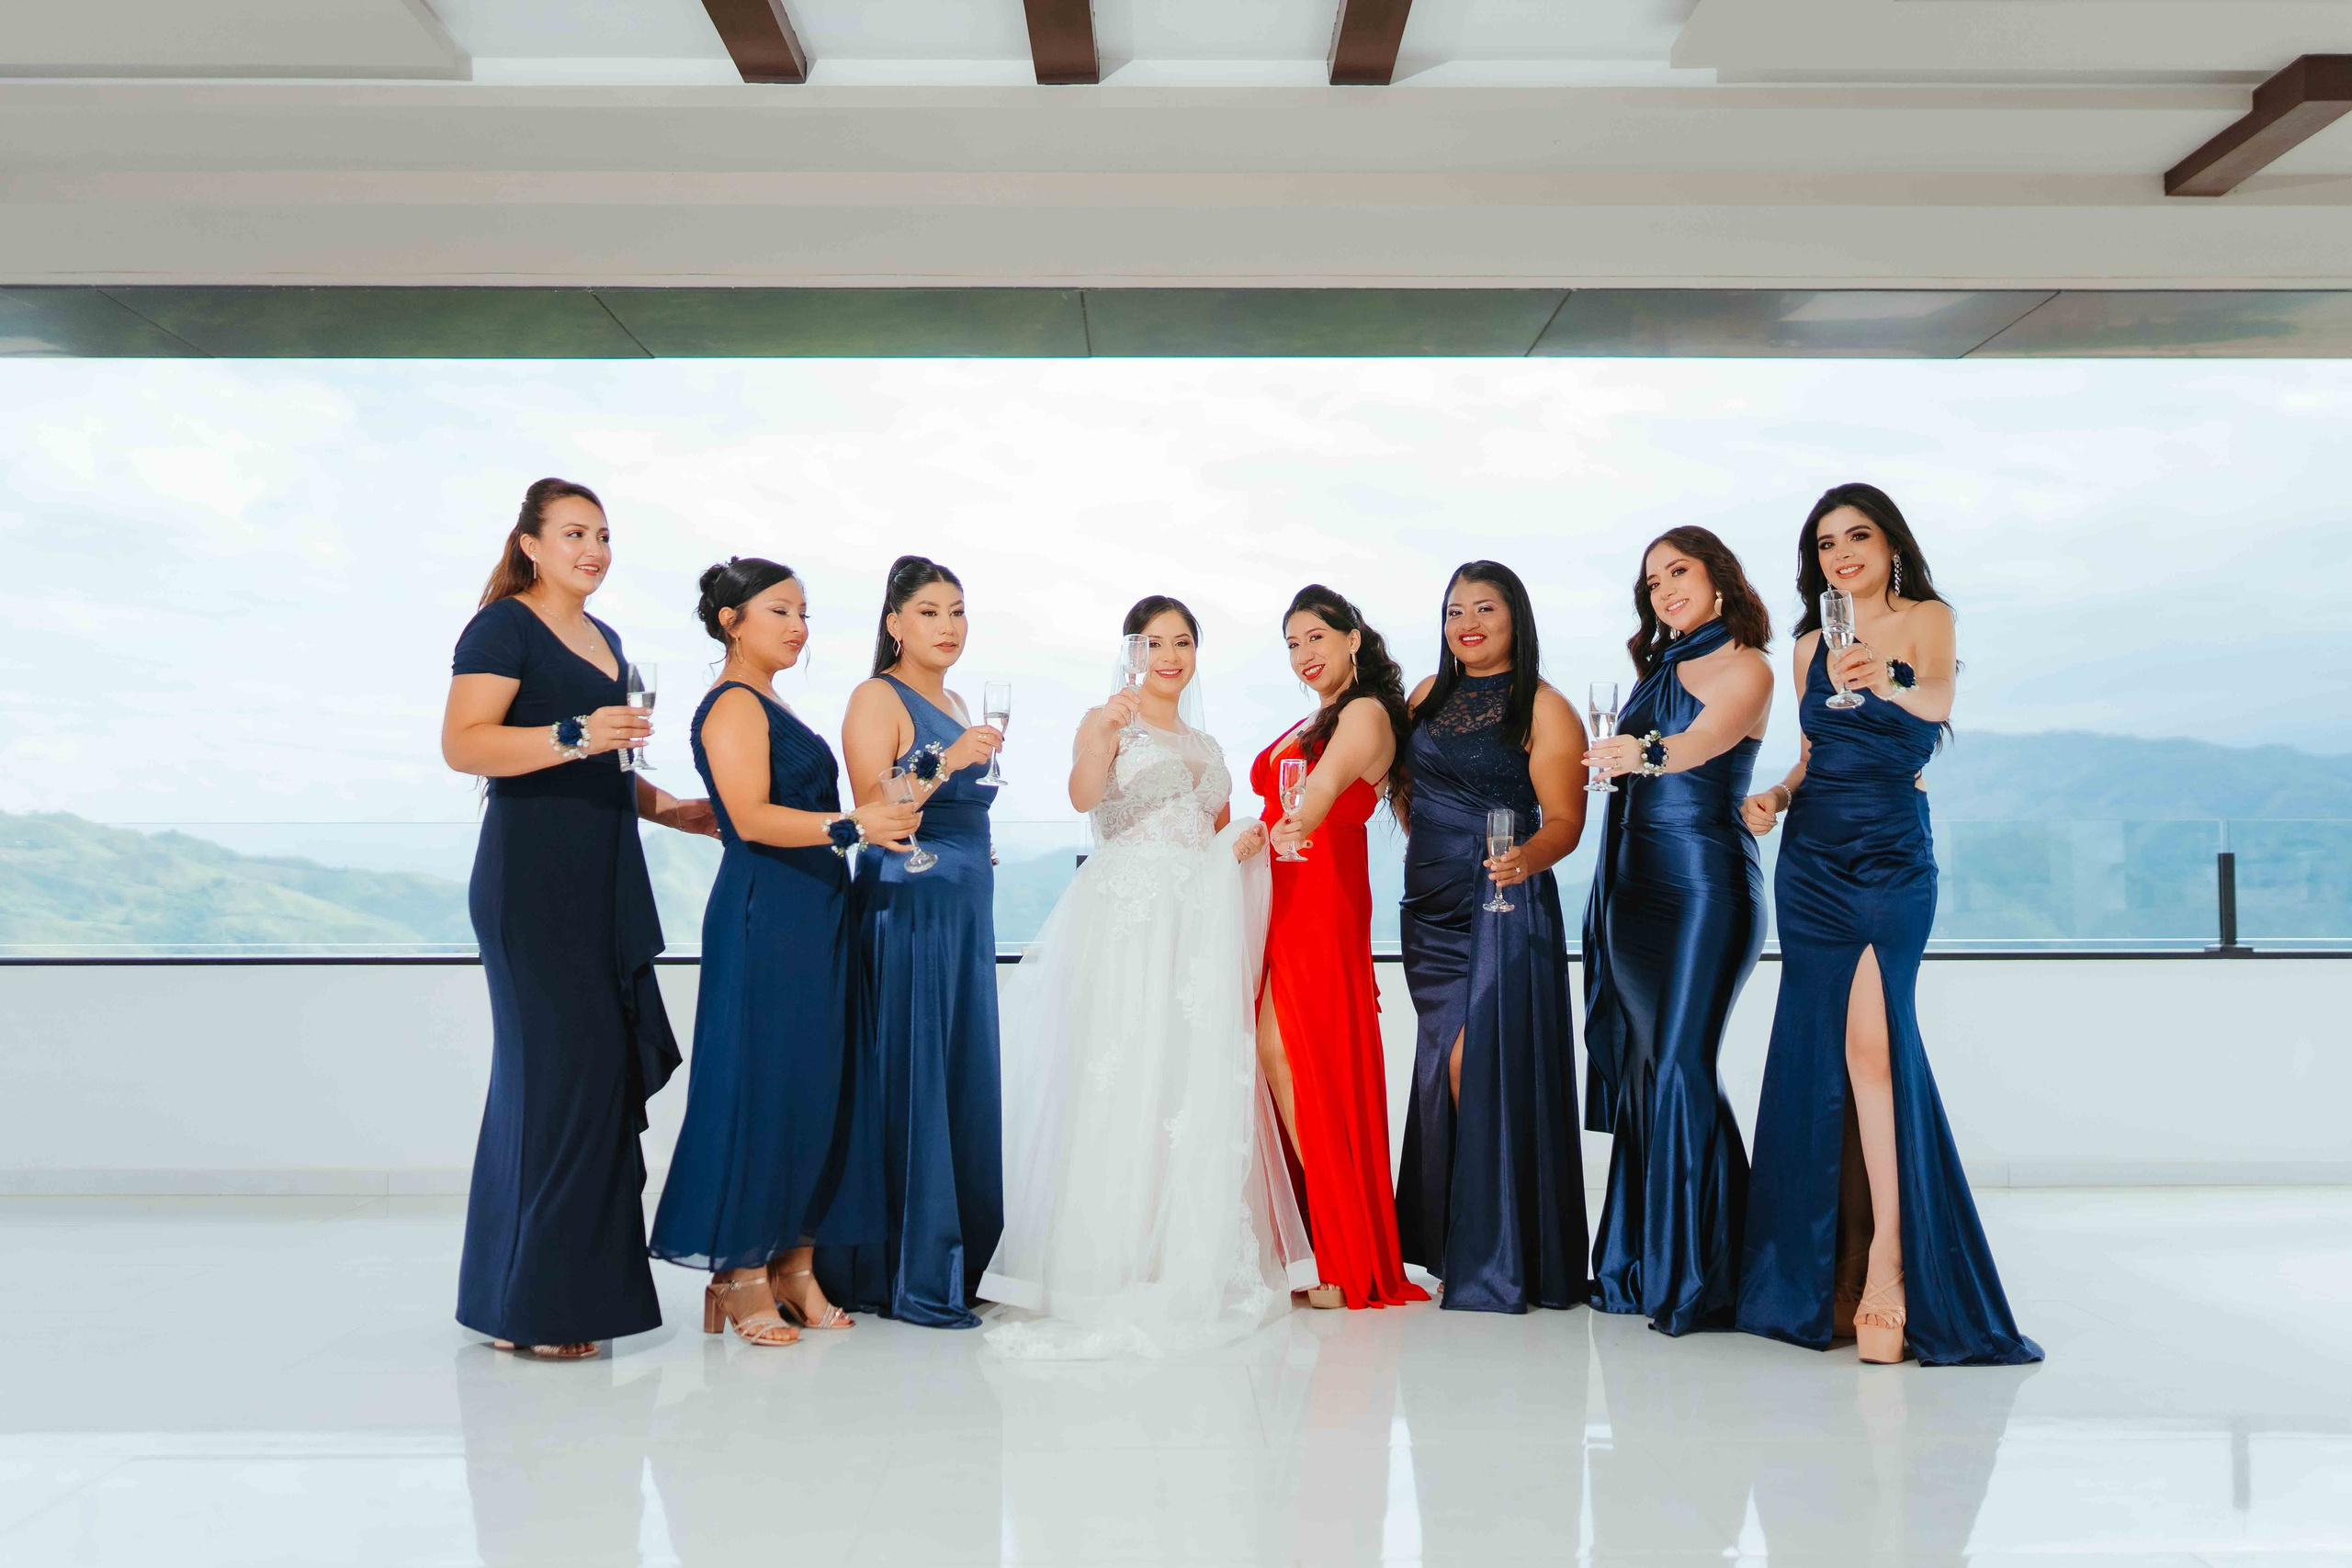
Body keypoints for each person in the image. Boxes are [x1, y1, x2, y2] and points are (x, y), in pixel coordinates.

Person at [1737, 482, 2042, 1367]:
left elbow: (1941, 699)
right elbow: (1810, 750)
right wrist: (1775, 795)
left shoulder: (1925, 618)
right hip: (1812, 860)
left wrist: (1891, 677)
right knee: (1820, 1052)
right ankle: (1819, 1272)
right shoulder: (1804, 647)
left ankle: (1890, 1265)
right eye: (1826, 543)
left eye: (1857, 535)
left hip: (1890, 860)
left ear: (1890, 544)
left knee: (1875, 1046)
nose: (1842, 554)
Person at [978, 596, 1316, 1357]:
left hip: (1194, 915)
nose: (1170, 654)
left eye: (1183, 641)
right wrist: (1100, 734)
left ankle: (1179, 1249)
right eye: (1155, 641)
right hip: (1128, 913)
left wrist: (1243, 838)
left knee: (1184, 1073)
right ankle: (1110, 1256)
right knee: (1123, 1068)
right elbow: (1084, 799)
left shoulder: (1203, 738)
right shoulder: (1112, 722)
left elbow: (1210, 830)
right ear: (1132, 650)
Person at [440, 477, 716, 1360]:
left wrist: (668, 805)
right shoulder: (502, 625)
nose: (592, 549)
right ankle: (536, 1309)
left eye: (601, 534)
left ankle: (545, 1293)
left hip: (603, 874)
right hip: (532, 882)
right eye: (571, 533)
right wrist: (571, 733)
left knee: (590, 1082)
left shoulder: (607, 637)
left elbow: (604, 762)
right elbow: (466, 743)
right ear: (530, 543)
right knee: (557, 1082)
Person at [647, 558, 921, 1345]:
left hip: (818, 906)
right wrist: (855, 824)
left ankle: (795, 1262)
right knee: (758, 1086)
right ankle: (737, 1273)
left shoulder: (771, 703)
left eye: (804, 612)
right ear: (732, 621)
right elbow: (753, 818)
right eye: (779, 611)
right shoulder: (732, 704)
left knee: (816, 1086)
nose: (798, 626)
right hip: (767, 910)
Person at [1580, 526, 1773, 1334]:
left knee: (1685, 1063)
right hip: (1633, 885)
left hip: (1705, 885)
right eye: (1652, 580)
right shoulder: (1653, 669)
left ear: (1718, 580)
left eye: (1678, 572)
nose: (1663, 589)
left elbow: (1702, 742)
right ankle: (1641, 1260)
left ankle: (1700, 1272)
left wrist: (1639, 753)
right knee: (1650, 1065)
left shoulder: (1748, 666)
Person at [1393, 562, 1591, 1314]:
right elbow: (1408, 788)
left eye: (1484, 608)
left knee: (1477, 1066)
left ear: (1516, 618)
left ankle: (1495, 1253)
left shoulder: (1545, 707)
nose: (1466, 621)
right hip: (1430, 907)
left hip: (1504, 900)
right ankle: (1456, 1248)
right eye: (1454, 610)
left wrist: (1520, 860)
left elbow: (1566, 823)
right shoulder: (1423, 698)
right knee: (1442, 1065)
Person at [819, 556, 1006, 1328]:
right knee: (914, 1068)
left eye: (958, 611)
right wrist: (948, 758)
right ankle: (907, 1262)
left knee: (960, 1068)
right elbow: (872, 807)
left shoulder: (959, 698)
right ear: (894, 623)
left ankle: (960, 1257)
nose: (948, 626)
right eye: (929, 611)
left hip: (965, 903)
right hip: (909, 900)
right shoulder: (876, 696)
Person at [1255, 584, 1429, 1311]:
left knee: (1290, 1055)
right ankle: (1321, 1245)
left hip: (1320, 900)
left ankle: (1343, 1252)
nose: (1304, 654)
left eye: (1316, 637)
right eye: (1292, 643)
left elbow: (1319, 789)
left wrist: (1296, 820)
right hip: (1284, 897)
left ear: (1353, 636)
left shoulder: (1363, 713)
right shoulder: (1319, 714)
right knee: (1289, 1060)